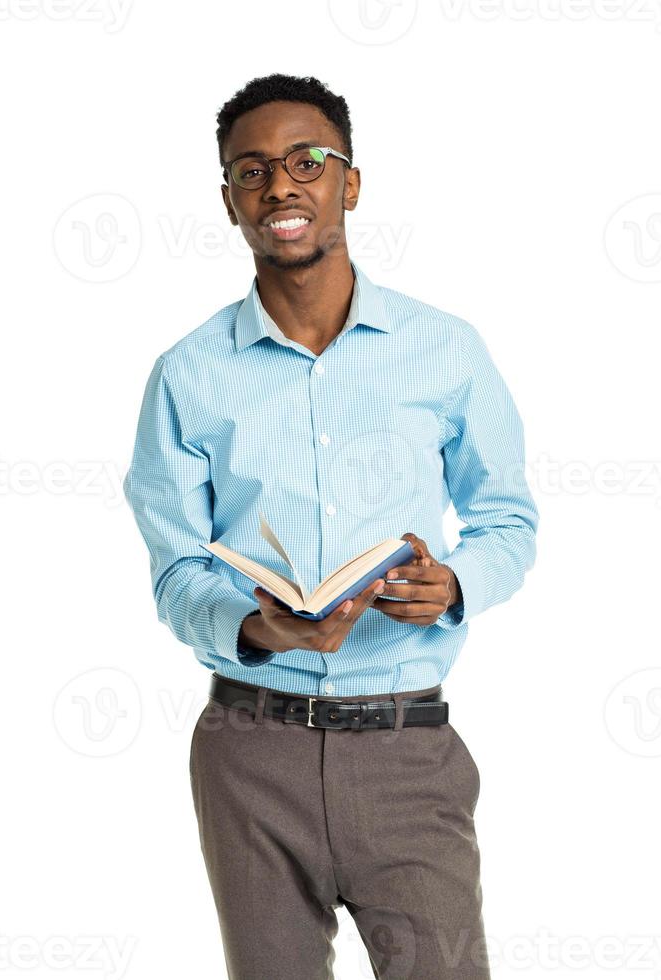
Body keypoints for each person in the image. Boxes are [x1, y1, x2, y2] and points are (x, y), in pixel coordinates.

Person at [122, 72, 539, 980]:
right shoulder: (187, 375)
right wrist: (251, 626)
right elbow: (174, 571)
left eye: (307, 162)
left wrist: (457, 584)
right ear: (229, 198)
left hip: (405, 748)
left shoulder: (446, 348)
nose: (281, 187)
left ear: (350, 182)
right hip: (248, 754)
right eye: (252, 170)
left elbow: (505, 518)